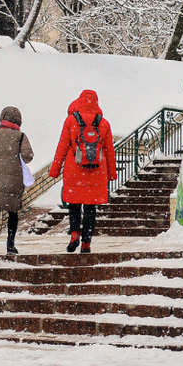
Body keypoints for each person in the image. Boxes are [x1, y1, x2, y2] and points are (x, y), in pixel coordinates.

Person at [49, 90, 117, 254]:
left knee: (74, 205)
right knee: (90, 209)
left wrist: (55, 170)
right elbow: (109, 151)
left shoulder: (71, 121)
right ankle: (86, 243)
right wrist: (111, 174)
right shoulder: (104, 123)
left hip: (74, 170)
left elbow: (62, 147)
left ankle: (74, 234)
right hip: (96, 171)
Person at [0, 106, 34, 266]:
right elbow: (28, 156)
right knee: (12, 212)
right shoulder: (20, 136)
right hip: (12, 181)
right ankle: (10, 245)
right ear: (18, 120)